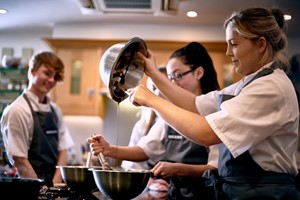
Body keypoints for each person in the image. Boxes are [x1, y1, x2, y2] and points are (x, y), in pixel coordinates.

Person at [130, 7, 299, 200]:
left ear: (260, 44)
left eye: (234, 44)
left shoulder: (270, 87)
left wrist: (152, 100)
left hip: (264, 193)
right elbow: (194, 104)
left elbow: (207, 133)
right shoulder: (247, 85)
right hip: (243, 191)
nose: (228, 52)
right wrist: (152, 73)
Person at [88, 42, 220, 199]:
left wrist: (179, 169)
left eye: (177, 76)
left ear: (199, 73)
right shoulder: (172, 112)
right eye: (170, 78)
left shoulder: (218, 111)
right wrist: (109, 149)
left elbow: (216, 168)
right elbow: (144, 150)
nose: (171, 85)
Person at [1, 51, 74, 186]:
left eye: (55, 76)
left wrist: (55, 183)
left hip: (53, 185)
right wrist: (41, 190)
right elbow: (20, 161)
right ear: (32, 71)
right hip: (30, 185)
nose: (52, 80)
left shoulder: (55, 110)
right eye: (47, 73)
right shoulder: (17, 111)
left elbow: (63, 149)